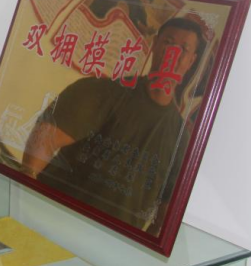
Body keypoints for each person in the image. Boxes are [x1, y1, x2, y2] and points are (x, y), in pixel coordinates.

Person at [21, 17, 207, 234]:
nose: (173, 53)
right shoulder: (103, 92)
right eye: (168, 42)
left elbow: (165, 214)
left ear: (191, 61)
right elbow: (44, 140)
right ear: (155, 44)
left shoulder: (181, 139)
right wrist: (26, 192)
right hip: (51, 222)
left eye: (183, 48)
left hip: (111, 243)